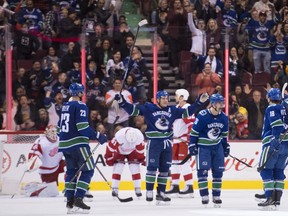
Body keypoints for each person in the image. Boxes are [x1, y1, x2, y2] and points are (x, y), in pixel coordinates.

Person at [115, 90, 209, 205]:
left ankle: (161, 193)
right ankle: (149, 191)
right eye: (163, 98)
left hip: (167, 143)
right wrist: (122, 102)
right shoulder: (149, 108)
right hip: (154, 143)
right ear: (158, 100)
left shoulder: (172, 110)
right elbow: (133, 110)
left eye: (166, 98)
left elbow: (187, 112)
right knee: (152, 168)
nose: (165, 100)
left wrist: (199, 103)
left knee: (165, 170)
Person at [58, 83, 107, 214]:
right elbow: (82, 128)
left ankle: (70, 203)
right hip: (78, 144)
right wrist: (98, 136)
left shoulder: (65, 106)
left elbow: (59, 127)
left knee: (71, 172)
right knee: (88, 170)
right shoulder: (81, 106)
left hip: (65, 145)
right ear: (80, 93)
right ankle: (79, 198)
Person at [188, 93, 230, 207]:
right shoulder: (202, 115)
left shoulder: (224, 118)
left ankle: (216, 196)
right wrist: (192, 145)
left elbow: (223, 136)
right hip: (204, 148)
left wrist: (226, 146)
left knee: (218, 173)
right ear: (212, 103)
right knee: (202, 172)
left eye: (222, 102)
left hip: (217, 148)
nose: (221, 105)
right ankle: (204, 195)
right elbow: (194, 132)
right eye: (219, 103)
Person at [257, 88, 288, 210]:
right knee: (278, 170)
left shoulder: (271, 108)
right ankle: (276, 199)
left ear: (268, 98)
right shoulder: (284, 108)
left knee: (265, 169)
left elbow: (276, 125)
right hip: (286, 144)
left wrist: (276, 139)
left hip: (273, 143)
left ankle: (269, 196)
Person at [165, 89, 195, 197]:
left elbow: (191, 125)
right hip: (176, 140)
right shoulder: (177, 108)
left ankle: (189, 187)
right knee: (174, 163)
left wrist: (190, 139)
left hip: (183, 141)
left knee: (184, 163)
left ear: (182, 97)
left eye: (177, 95)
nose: (175, 97)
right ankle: (175, 186)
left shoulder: (187, 108)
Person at [104, 127, 145, 198]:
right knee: (118, 167)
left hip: (133, 151)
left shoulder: (139, 137)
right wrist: (109, 158)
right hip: (120, 151)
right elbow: (110, 148)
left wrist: (141, 159)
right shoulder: (119, 136)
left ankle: (138, 188)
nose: (130, 143)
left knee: (134, 167)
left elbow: (140, 151)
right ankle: (115, 188)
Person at [25, 125, 65, 197]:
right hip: (46, 170)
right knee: (52, 192)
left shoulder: (61, 139)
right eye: (51, 131)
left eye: (55, 131)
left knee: (73, 166)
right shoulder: (41, 141)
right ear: (46, 132)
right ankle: (34, 188)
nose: (53, 134)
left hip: (58, 165)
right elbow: (35, 153)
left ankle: (71, 187)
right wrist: (33, 160)